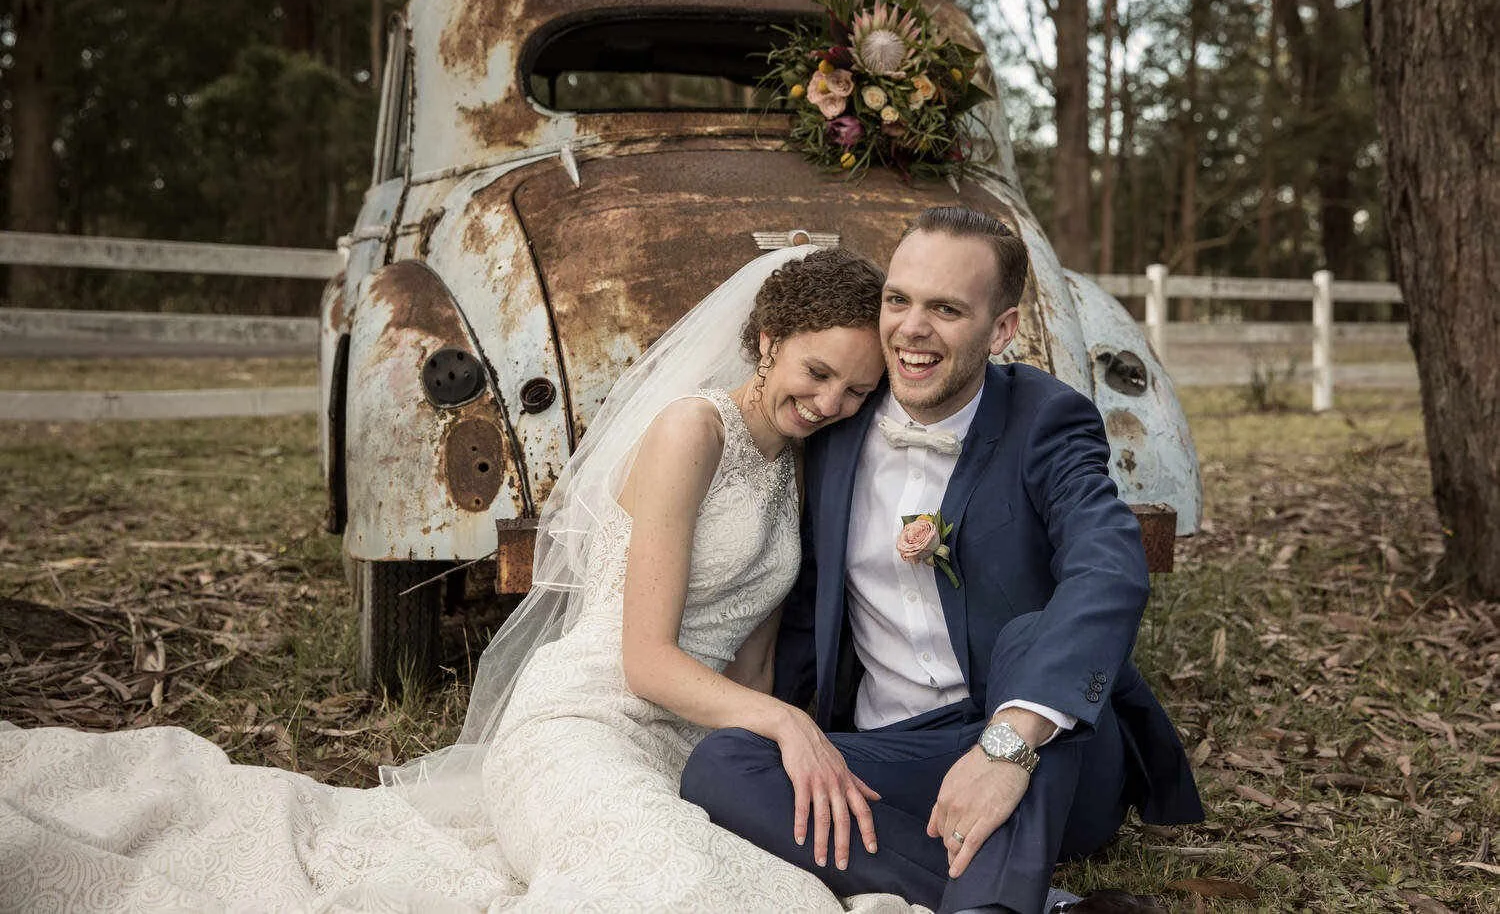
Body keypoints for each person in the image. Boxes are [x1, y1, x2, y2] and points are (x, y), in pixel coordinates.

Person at [0, 246, 921, 912]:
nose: (833, 402)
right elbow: (647, 660)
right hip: (586, 724)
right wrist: (788, 724)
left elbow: (751, 653)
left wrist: (757, 758)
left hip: (695, 747)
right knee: (676, 886)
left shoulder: (798, 460)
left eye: (856, 388)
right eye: (817, 371)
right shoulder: (695, 431)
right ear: (766, 340)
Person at [680, 208, 1205, 914]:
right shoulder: (836, 418)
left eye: (947, 309)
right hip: (898, 753)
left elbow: (1109, 566)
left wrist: (1006, 747)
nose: (912, 329)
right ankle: (1043, 904)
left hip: (1049, 758)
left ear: (1003, 329)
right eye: (898, 301)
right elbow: (802, 606)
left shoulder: (1047, 419)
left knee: (1028, 632)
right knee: (723, 766)